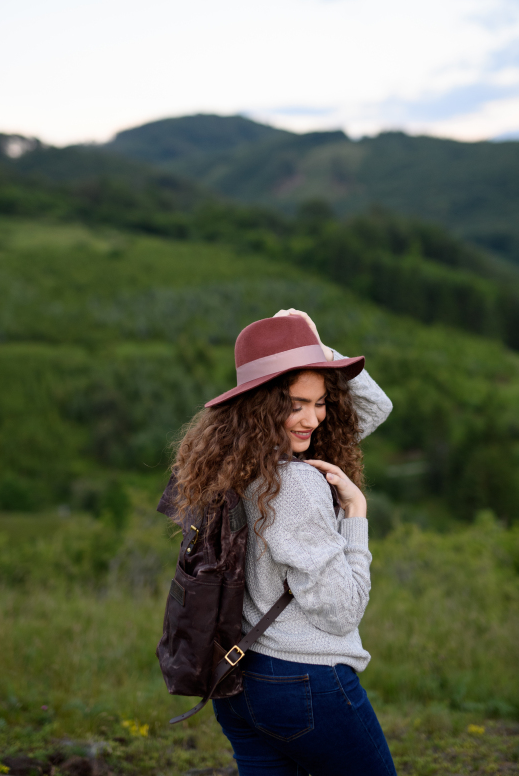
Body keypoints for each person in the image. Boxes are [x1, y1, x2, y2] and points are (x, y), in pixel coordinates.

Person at [172, 309, 396, 776]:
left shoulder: (231, 465)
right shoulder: (295, 484)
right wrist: (356, 515)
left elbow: (374, 408)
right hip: (305, 680)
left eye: (320, 402)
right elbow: (341, 612)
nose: (311, 419)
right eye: (294, 404)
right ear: (262, 405)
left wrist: (311, 346)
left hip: (239, 679)